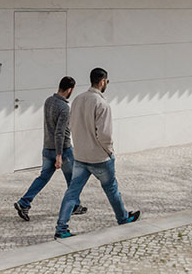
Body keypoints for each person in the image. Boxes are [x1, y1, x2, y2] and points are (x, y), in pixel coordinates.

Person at [54, 67, 140, 239]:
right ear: (102, 81)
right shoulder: (102, 104)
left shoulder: (77, 100)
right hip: (99, 157)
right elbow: (105, 134)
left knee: (72, 192)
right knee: (111, 189)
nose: (106, 84)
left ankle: (61, 228)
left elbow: (72, 126)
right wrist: (110, 152)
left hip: (80, 156)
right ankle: (122, 218)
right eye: (106, 81)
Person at [14, 76, 87, 222]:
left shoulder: (48, 101)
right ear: (69, 90)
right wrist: (59, 155)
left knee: (43, 178)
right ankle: (73, 206)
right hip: (63, 150)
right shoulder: (64, 108)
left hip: (47, 148)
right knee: (73, 179)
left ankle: (24, 202)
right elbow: (59, 133)